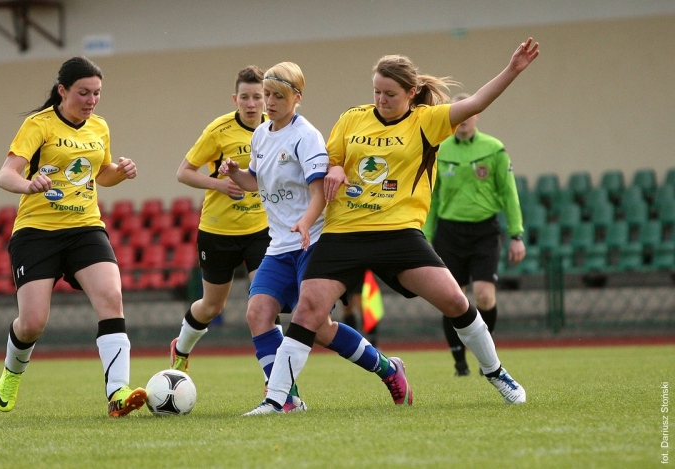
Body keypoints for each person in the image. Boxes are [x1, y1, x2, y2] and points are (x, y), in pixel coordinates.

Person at [245, 38, 540, 415]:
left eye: (389, 94)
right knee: (308, 312)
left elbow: (477, 102)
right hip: (344, 232)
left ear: (411, 93)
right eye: (376, 92)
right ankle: (277, 400)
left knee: (455, 301)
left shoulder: (427, 121)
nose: (380, 100)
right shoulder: (352, 118)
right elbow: (331, 160)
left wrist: (512, 70)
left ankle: (496, 372)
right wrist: (336, 169)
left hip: (399, 233)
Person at [221, 62, 410, 413]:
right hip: (280, 245)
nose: (270, 103)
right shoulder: (260, 135)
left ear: (297, 97)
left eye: (278, 96)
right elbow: (254, 182)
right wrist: (235, 173)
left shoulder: (306, 136)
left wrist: (306, 223)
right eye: (266, 95)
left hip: (315, 241)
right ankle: (287, 399)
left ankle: (387, 369)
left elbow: (320, 191)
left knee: (320, 328)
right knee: (258, 313)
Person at [0, 56, 146, 417]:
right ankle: (12, 372)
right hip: (37, 232)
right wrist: (29, 185)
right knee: (32, 323)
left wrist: (120, 171)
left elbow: (101, 174)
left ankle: (118, 393)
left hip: (85, 228)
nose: (91, 100)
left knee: (112, 297)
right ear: (62, 91)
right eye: (83, 92)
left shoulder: (100, 127)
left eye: (97, 93)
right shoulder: (38, 124)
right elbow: (5, 175)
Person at [170, 66, 271, 372]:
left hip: (261, 230)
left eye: (257, 97)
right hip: (218, 231)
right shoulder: (219, 130)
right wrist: (220, 185)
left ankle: (277, 380)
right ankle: (181, 348)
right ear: (235, 99)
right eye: (245, 97)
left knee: (266, 302)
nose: (251, 104)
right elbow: (183, 173)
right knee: (212, 306)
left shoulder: (276, 128)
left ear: (266, 98)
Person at [423, 92, 526, 377]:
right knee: (452, 299)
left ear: (477, 115)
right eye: (459, 114)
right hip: (449, 233)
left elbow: (509, 193)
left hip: (484, 232)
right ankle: (459, 362)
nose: (464, 119)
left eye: (469, 113)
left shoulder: (493, 149)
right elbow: (431, 197)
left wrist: (516, 235)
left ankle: (485, 356)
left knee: (484, 296)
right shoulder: (440, 149)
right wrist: (425, 234)